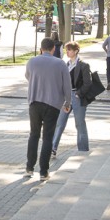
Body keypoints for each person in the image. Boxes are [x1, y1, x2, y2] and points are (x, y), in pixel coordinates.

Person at [24, 37, 72, 181]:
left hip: (34, 102)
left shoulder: (32, 61)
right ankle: (43, 172)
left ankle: (29, 168)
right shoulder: (60, 63)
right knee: (47, 137)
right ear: (53, 49)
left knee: (34, 135)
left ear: (41, 48)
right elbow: (67, 85)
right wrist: (67, 103)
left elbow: (28, 76)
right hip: (53, 104)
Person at [52, 41, 92, 157]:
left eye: (70, 50)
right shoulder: (66, 64)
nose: (67, 52)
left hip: (77, 97)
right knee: (60, 123)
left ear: (76, 51)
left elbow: (87, 83)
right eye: (67, 50)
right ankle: (53, 147)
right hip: (66, 97)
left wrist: (78, 94)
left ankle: (83, 149)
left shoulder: (83, 65)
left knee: (79, 123)